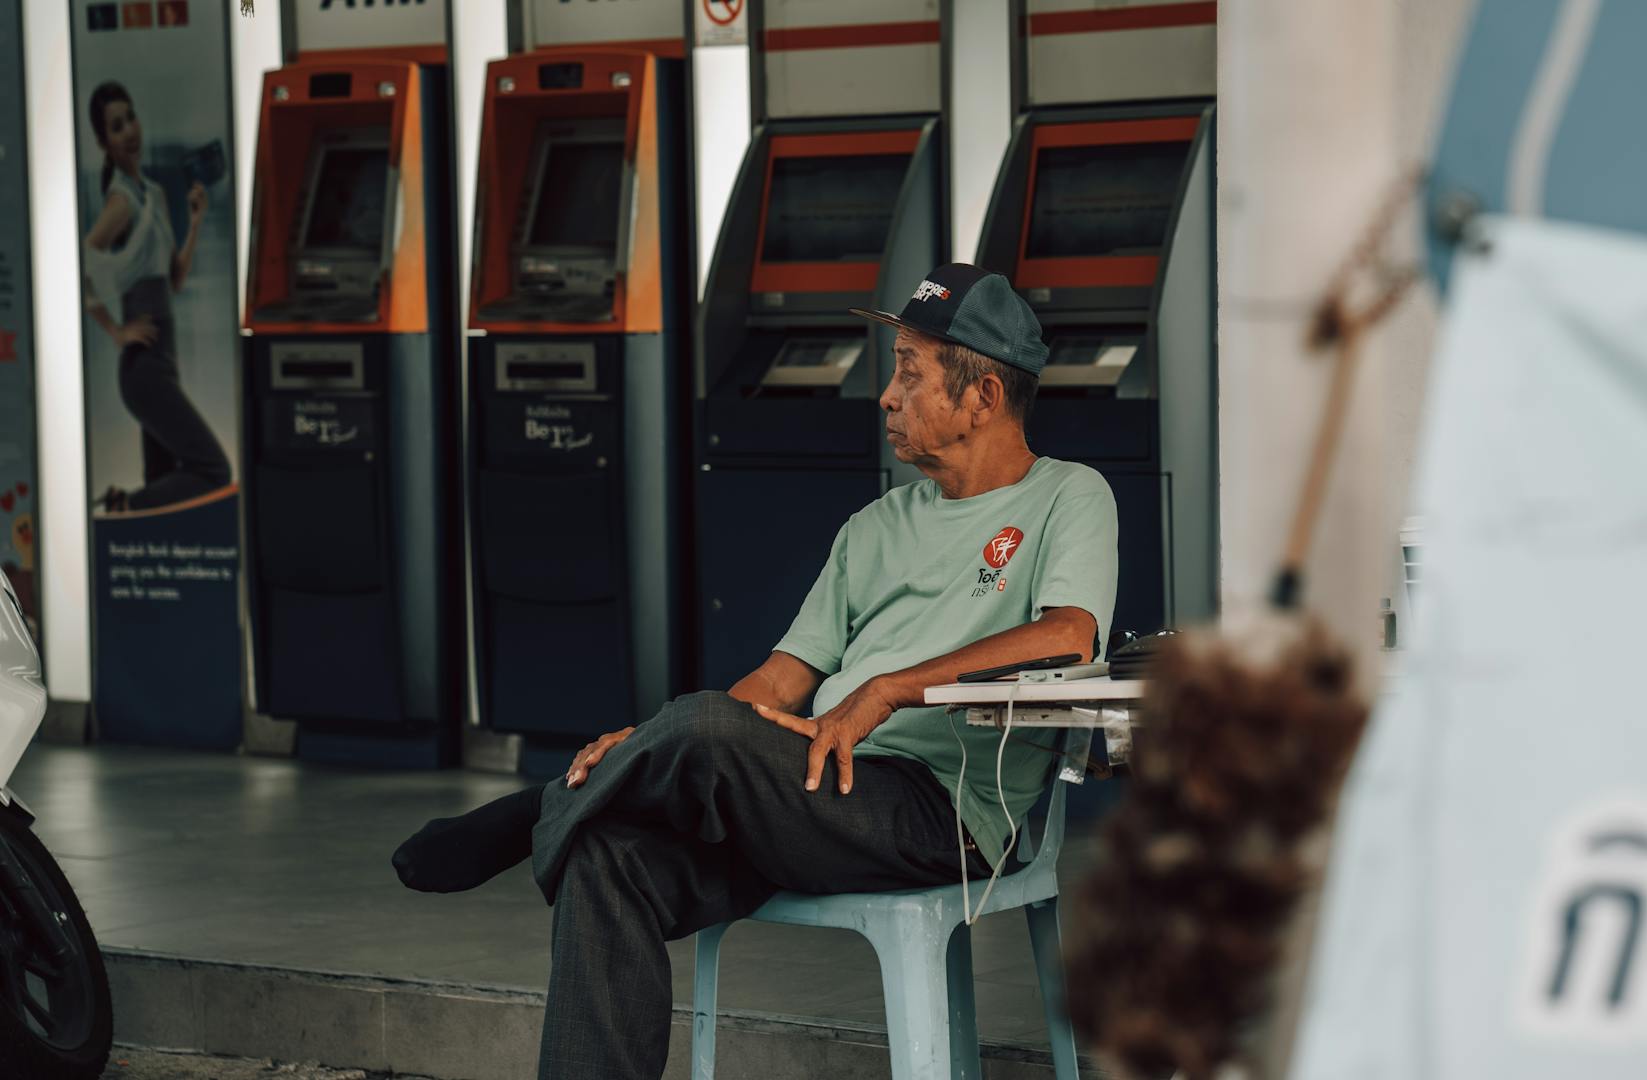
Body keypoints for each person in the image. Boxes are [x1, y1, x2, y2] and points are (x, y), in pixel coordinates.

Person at [392, 263, 1118, 1079]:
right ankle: (588, 799)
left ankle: (539, 810)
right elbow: (778, 682)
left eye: (910, 372)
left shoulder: (1068, 496)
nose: (886, 395)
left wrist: (884, 690)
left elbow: (1069, 636)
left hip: (936, 813)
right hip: (809, 790)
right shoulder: (876, 525)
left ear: (983, 396)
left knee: (699, 732)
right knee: (611, 857)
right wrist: (656, 739)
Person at [82, 81, 231, 513]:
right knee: (213, 471)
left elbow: (176, 279)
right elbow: (82, 265)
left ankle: (139, 530)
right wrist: (116, 331)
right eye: (116, 126)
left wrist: (198, 223)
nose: (130, 131)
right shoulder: (121, 202)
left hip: (166, 360)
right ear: (104, 143)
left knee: (165, 496)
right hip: (143, 368)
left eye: (131, 119)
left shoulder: (157, 195)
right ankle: (121, 505)